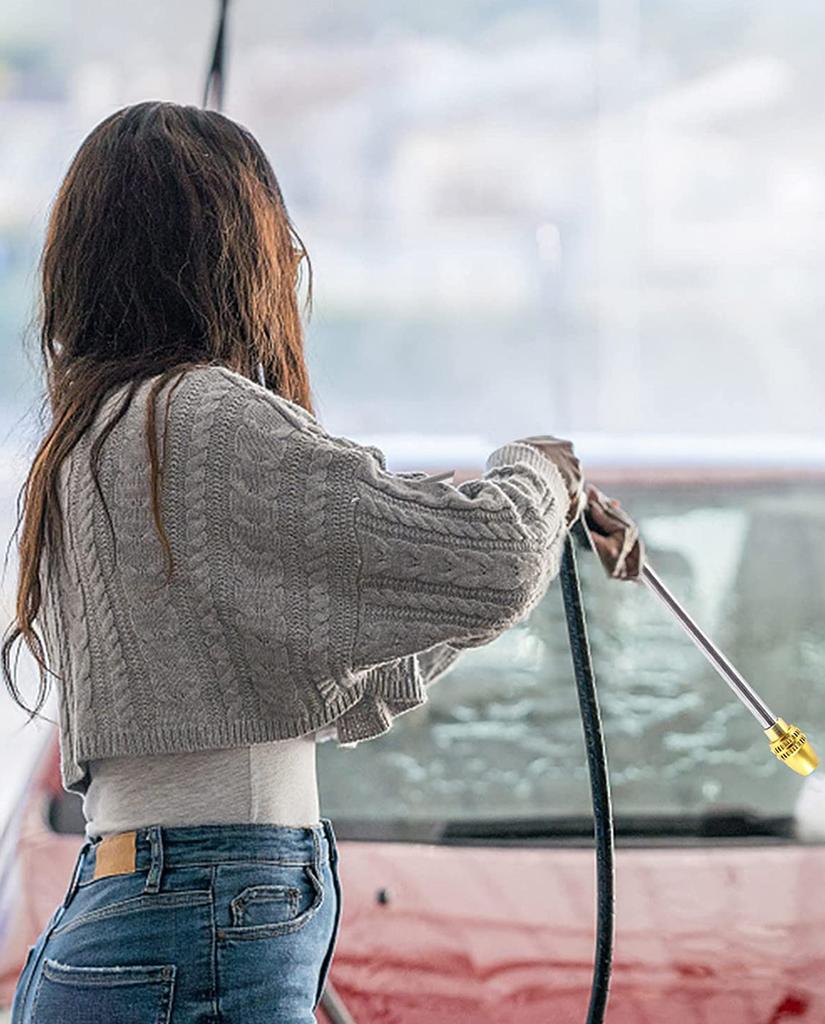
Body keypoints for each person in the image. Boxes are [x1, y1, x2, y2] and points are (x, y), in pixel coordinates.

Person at [1, 100, 639, 1023]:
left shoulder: (94, 440)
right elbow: (489, 559)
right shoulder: (206, 419)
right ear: (227, 251)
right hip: (205, 916)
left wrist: (532, 524)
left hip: (141, 917)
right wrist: (535, 472)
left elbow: (341, 631)